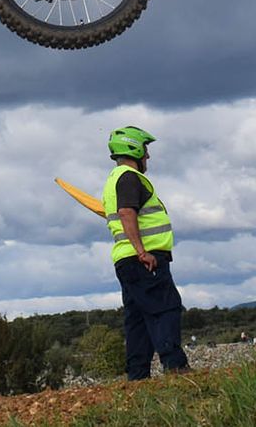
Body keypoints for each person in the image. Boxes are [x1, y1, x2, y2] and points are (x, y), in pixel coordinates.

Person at [102, 126, 189, 380]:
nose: (148, 156)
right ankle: (175, 366)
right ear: (135, 149)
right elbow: (126, 213)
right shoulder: (130, 177)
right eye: (145, 150)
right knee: (166, 307)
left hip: (125, 260)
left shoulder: (113, 180)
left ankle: (137, 376)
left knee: (138, 319)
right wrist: (143, 252)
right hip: (144, 259)